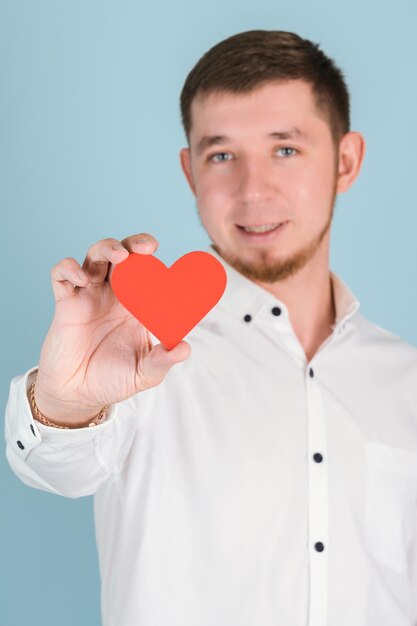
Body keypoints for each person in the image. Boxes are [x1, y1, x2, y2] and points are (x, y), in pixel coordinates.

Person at [4, 29, 417, 626]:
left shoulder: (406, 381)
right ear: (190, 170)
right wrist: (65, 401)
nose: (253, 191)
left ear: (346, 161)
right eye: (221, 154)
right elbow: (53, 465)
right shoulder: (141, 351)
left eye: (286, 149)